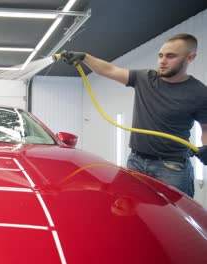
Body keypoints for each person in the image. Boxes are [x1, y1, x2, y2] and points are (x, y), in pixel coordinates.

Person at [60, 33, 207, 198]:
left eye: (170, 56)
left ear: (190, 58)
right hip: (136, 161)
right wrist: (85, 57)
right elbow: (109, 69)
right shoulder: (145, 78)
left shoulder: (200, 93)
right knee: (133, 209)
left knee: (175, 217)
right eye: (160, 55)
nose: (162, 61)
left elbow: (205, 128)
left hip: (172, 167)